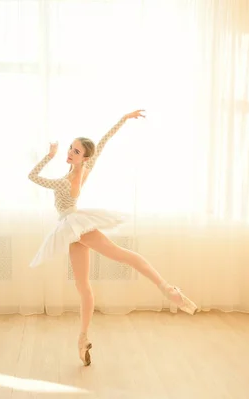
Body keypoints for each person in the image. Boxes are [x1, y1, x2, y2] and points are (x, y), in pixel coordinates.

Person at [28, 110, 197, 366]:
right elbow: (103, 141)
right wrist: (124, 118)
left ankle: (168, 289)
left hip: (75, 224)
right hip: (70, 229)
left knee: (122, 255)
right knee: (83, 286)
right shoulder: (75, 172)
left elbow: (36, 177)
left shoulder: (74, 177)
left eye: (75, 151)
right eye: (71, 149)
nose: (70, 153)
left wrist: (60, 161)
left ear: (84, 157)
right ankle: (82, 338)